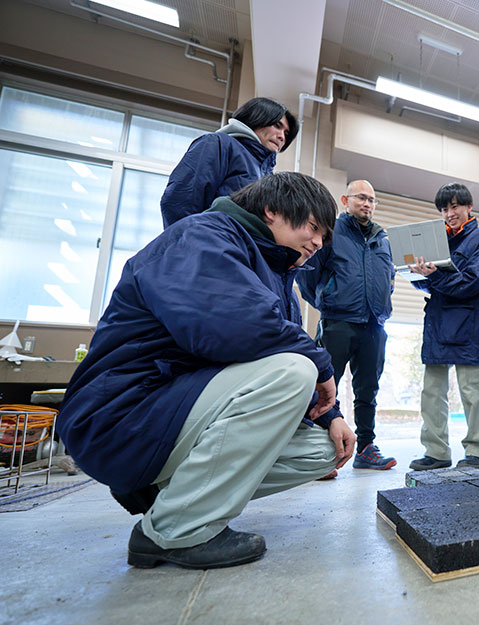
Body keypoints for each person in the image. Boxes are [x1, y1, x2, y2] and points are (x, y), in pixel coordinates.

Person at [57, 172, 356, 569]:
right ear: (272, 210)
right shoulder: (202, 237)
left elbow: (265, 352)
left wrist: (331, 416)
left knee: (324, 451)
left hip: (172, 411)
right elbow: (237, 328)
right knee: (296, 371)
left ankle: (168, 494)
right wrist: (321, 367)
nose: (318, 243)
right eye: (314, 227)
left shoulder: (276, 273)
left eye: (324, 237)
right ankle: (177, 530)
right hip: (122, 417)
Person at [296, 180, 396, 470]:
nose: (367, 204)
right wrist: (328, 299)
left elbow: (387, 281)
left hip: (374, 326)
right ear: (345, 200)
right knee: (325, 387)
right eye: (361, 198)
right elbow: (308, 273)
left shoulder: (381, 239)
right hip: (338, 322)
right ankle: (318, 454)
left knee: (369, 390)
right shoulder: (332, 232)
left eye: (372, 200)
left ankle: (366, 448)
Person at [407, 183, 479, 471]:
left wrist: (434, 278)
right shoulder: (436, 242)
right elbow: (427, 283)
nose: (450, 213)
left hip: (470, 324)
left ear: (469, 207)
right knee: (431, 391)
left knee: (472, 390)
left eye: (455, 206)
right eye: (444, 209)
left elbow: (473, 280)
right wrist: (419, 273)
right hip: (438, 322)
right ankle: (436, 452)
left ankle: (476, 451)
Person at [160, 97, 298, 228]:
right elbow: (180, 200)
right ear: (257, 118)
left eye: (286, 133)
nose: (281, 137)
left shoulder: (265, 173)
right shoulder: (217, 144)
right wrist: (193, 245)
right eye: (277, 126)